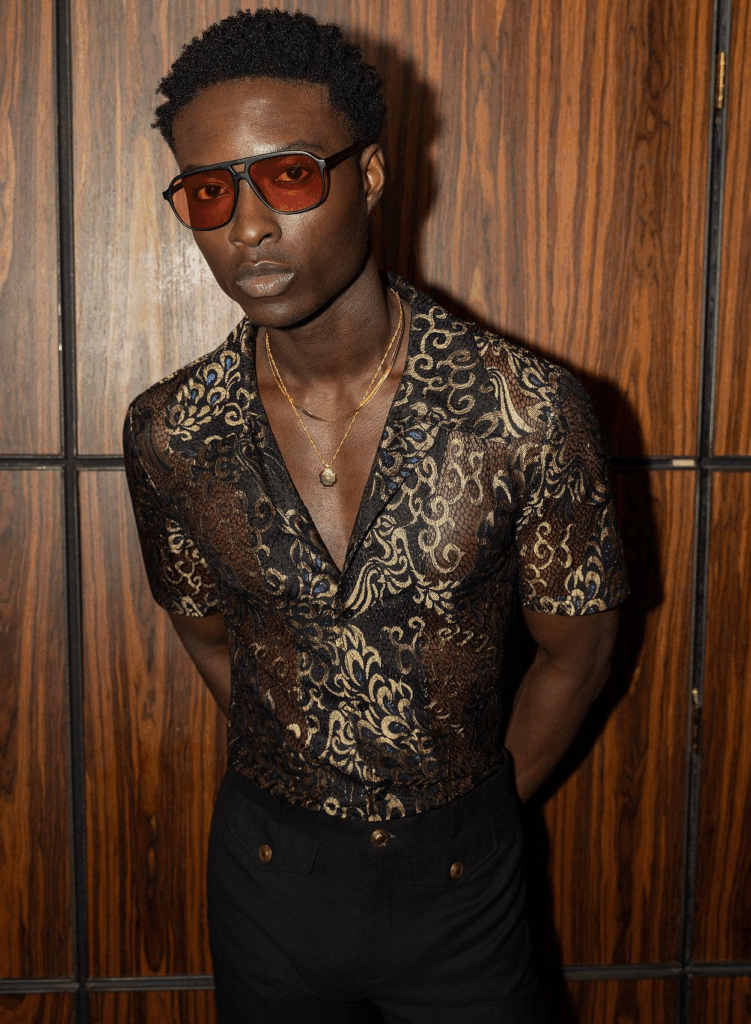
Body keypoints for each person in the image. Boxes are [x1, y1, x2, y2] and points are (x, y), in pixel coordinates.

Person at [123, 9, 628, 1023]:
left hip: (464, 894)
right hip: (267, 881)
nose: (246, 226)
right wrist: (317, 765)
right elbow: (210, 639)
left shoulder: (523, 410)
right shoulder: (173, 431)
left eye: (289, 175)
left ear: (372, 174)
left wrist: (469, 818)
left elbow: (575, 654)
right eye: (209, 191)